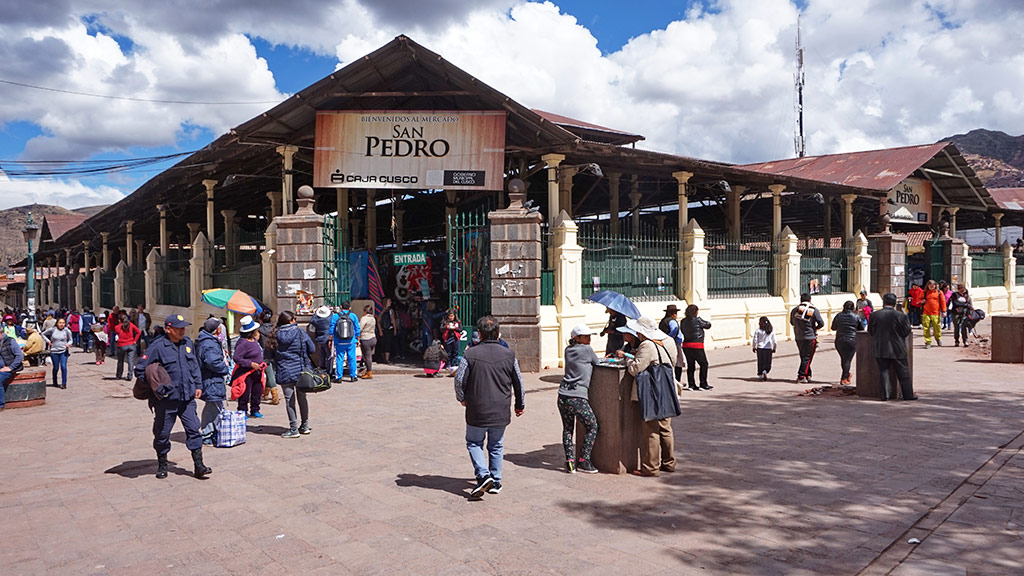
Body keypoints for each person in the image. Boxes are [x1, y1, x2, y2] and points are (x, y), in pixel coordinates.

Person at [454, 316, 525, 498]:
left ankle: (483, 475)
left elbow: (459, 379)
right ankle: (496, 480)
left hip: (476, 408)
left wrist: (461, 398)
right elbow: (519, 383)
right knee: (496, 445)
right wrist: (519, 404)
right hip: (500, 409)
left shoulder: (470, 354)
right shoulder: (509, 355)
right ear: (498, 333)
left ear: (479, 334)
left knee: (474, 442)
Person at [134, 313, 212, 479]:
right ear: (169, 329)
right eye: (179, 328)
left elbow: (195, 367)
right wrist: (156, 387)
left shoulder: (188, 343)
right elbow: (140, 370)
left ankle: (199, 466)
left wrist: (198, 385)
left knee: (193, 430)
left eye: (183, 327)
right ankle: (162, 464)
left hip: (187, 399)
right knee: (162, 433)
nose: (183, 330)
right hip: (165, 401)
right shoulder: (157, 346)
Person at [624, 316, 676, 477]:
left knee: (651, 429)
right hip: (666, 387)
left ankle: (650, 467)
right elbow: (672, 361)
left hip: (652, 390)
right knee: (665, 428)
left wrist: (628, 360)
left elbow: (635, 369)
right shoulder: (668, 340)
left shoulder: (647, 344)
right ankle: (669, 462)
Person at [558, 324, 601, 474]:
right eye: (586, 336)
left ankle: (570, 461)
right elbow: (598, 363)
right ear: (577, 338)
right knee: (592, 425)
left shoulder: (568, 350)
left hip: (563, 395)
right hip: (578, 397)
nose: (589, 339)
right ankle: (583, 460)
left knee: (568, 429)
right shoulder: (587, 350)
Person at [271, 311, 316, 438]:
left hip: (284, 370)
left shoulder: (275, 334)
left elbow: (268, 354)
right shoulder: (300, 332)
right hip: (301, 370)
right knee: (302, 398)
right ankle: (305, 425)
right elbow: (312, 349)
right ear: (291, 320)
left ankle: (293, 428)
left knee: (289, 400)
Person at [867, 293, 916, 401]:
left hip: (880, 347)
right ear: (894, 303)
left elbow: (870, 331)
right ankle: (908, 395)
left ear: (883, 302)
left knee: (883, 372)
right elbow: (907, 331)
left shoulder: (874, 315)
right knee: (903, 373)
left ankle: (885, 395)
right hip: (898, 347)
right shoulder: (901, 316)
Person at [196, 317, 231, 445]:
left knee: (215, 406)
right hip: (211, 380)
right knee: (213, 406)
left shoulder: (209, 341)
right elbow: (212, 361)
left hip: (212, 379)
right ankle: (207, 434)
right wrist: (224, 368)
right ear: (217, 330)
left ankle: (213, 431)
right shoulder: (209, 343)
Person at [233, 315, 265, 418]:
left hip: (257, 372)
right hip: (246, 373)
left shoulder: (254, 340)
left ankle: (255, 409)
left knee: (257, 391)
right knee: (245, 392)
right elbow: (237, 358)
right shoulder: (242, 343)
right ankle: (242, 410)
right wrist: (250, 364)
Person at [790, 293, 824, 383]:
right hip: (810, 337)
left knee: (803, 356)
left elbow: (791, 322)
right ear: (810, 300)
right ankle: (801, 376)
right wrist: (814, 328)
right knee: (807, 357)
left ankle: (808, 374)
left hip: (798, 336)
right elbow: (821, 323)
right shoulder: (813, 310)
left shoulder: (794, 310)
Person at [680, 304, 712, 391]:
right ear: (696, 312)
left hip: (686, 345)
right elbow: (708, 325)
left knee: (691, 365)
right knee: (704, 364)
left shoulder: (683, 321)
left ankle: (691, 384)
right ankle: (703, 383)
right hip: (697, 345)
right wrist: (700, 319)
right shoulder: (698, 320)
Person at [831, 301, 863, 385]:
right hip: (851, 340)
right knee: (847, 360)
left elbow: (833, 327)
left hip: (840, 340)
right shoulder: (856, 317)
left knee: (844, 359)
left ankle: (846, 375)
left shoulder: (838, 316)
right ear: (853, 308)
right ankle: (844, 378)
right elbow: (861, 329)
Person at [257, 310, 281, 405]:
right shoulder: (275, 329)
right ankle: (265, 394)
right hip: (275, 353)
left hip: (265, 354)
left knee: (270, 374)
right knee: (270, 372)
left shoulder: (259, 330)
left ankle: (275, 397)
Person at [333, 301, 360, 382]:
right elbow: (357, 328)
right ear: (350, 308)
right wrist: (357, 338)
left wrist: (331, 339)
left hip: (339, 341)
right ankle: (353, 376)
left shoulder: (336, 316)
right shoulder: (353, 316)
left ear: (341, 307)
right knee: (352, 358)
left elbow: (331, 328)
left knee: (339, 358)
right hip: (351, 341)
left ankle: (339, 377)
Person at [42, 317, 73, 389]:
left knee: (63, 367)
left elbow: (71, 340)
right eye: (60, 323)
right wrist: (48, 341)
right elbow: (43, 334)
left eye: (63, 323)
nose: (61, 324)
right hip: (54, 351)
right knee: (56, 367)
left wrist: (68, 344)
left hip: (63, 351)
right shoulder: (53, 330)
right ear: (57, 323)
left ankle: (64, 383)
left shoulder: (67, 331)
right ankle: (55, 381)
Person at [659, 304, 686, 381]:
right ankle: (678, 380)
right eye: (675, 313)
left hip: (664, 343)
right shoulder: (672, 321)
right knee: (678, 362)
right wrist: (670, 339)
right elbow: (674, 330)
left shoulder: (663, 321)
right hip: (674, 343)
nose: (676, 315)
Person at [1, 325, 25, 410]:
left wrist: (11, 367)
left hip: (9, 368)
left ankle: (1, 404)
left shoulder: (10, 341)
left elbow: (20, 356)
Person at [113, 315, 142, 381]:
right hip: (131, 344)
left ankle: (119, 375)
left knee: (120, 361)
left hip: (121, 345)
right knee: (131, 361)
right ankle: (130, 375)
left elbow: (116, 334)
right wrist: (135, 340)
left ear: (119, 320)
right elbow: (138, 332)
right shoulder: (131, 325)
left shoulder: (117, 327)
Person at [921, 279, 946, 348]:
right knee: (926, 328)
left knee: (937, 327)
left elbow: (943, 302)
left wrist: (944, 311)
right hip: (926, 313)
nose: (932, 287)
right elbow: (919, 299)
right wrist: (921, 301)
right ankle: (928, 342)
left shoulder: (939, 292)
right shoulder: (924, 292)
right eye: (930, 285)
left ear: (935, 286)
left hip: (936, 313)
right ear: (928, 286)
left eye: (933, 285)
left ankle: (938, 339)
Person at [310, 306, 335, 372]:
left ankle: (322, 368)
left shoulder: (317, 320)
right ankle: (329, 370)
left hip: (319, 339)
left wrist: (315, 314)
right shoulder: (330, 318)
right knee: (329, 355)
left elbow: (312, 320)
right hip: (328, 339)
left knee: (322, 354)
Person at [751, 316, 776, 381]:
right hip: (768, 348)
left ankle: (760, 374)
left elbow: (755, 340)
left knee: (760, 361)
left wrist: (754, 347)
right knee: (768, 361)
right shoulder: (770, 330)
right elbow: (774, 341)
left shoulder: (758, 330)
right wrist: (774, 347)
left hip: (760, 348)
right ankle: (765, 370)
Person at [359, 304, 378, 379]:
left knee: (367, 356)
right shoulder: (373, 319)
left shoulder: (364, 318)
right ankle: (367, 370)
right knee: (368, 355)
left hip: (366, 339)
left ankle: (369, 372)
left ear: (365, 311)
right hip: (373, 338)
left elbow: (360, 328)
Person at [378, 298, 399, 363]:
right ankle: (386, 359)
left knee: (385, 343)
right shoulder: (386, 311)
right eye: (389, 301)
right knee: (386, 344)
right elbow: (392, 320)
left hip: (385, 329)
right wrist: (395, 329)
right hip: (387, 328)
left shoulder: (385, 311)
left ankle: (385, 359)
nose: (390, 302)